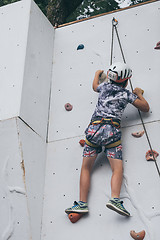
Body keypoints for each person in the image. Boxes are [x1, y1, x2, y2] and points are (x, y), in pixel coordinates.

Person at [65, 62, 149, 217]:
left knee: (86, 168)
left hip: (94, 130)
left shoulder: (102, 88)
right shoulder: (126, 94)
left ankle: (82, 204)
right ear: (126, 80)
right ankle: (115, 199)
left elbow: (94, 85)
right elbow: (145, 107)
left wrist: (97, 73)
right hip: (112, 132)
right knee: (116, 169)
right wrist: (138, 93)